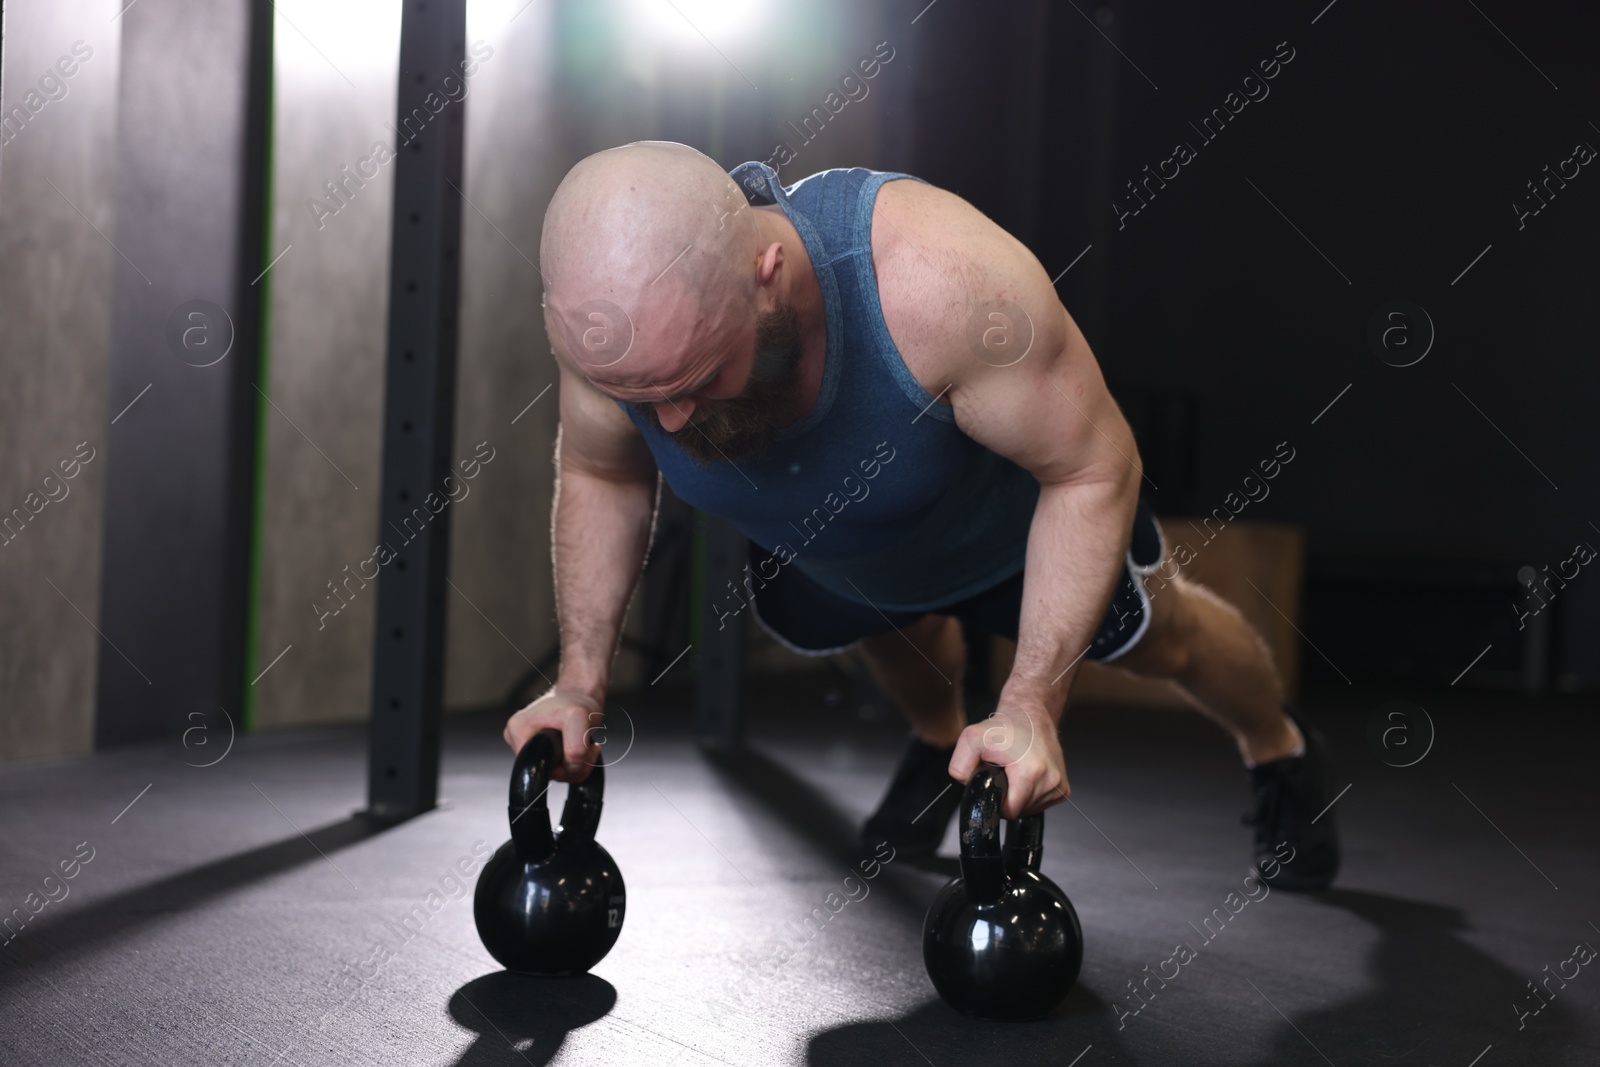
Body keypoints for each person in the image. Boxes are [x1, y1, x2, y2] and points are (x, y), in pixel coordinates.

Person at [503, 140, 1339, 891]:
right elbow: (601, 472)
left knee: (1174, 637)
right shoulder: (614, 332)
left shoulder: (941, 283)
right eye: (641, 398)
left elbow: (1090, 468)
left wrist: (1032, 704)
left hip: (1005, 542)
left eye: (699, 377)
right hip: (838, 557)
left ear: (765, 273)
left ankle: (1281, 751)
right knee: (894, 639)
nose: (673, 424)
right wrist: (580, 682)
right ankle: (943, 744)